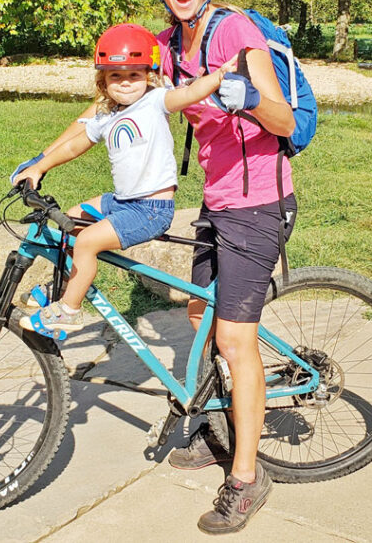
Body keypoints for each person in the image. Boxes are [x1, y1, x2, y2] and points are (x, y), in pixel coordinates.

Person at [10, 0, 297, 535]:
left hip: (257, 202)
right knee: (200, 317)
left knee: (235, 341)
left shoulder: (237, 31)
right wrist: (40, 160)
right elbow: (102, 111)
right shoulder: (165, 47)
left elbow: (282, 121)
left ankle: (247, 477)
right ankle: (216, 420)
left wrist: (245, 95)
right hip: (217, 202)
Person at [12, 23, 238, 335]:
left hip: (150, 209)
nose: (126, 83)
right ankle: (59, 289)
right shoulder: (107, 115)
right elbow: (75, 143)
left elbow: (189, 93)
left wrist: (219, 76)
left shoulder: (156, 101)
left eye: (135, 74)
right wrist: (39, 166)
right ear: (103, 82)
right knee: (72, 220)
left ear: (148, 75)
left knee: (87, 242)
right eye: (116, 76)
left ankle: (70, 311)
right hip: (121, 202)